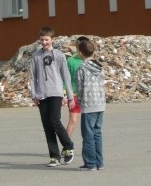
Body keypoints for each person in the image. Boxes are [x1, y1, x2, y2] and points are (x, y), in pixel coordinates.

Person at [29, 26, 76, 167]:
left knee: (54, 120)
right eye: (42, 40)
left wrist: (69, 96)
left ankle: (68, 146)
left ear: (52, 40)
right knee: (47, 125)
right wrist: (33, 95)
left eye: (46, 40)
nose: (44, 42)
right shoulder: (36, 56)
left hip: (55, 92)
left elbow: (65, 76)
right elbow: (32, 76)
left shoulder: (59, 55)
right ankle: (54, 156)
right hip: (41, 94)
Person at [75, 39, 106, 171]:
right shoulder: (99, 67)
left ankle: (90, 163)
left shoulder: (81, 68)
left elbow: (79, 87)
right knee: (97, 133)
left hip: (88, 104)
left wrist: (80, 101)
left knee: (88, 135)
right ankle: (99, 162)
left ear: (80, 53)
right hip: (100, 103)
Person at [65, 35, 89, 137]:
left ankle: (90, 148)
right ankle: (66, 145)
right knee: (73, 121)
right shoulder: (71, 61)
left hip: (88, 96)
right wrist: (65, 94)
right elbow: (65, 78)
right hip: (74, 95)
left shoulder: (90, 60)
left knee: (88, 123)